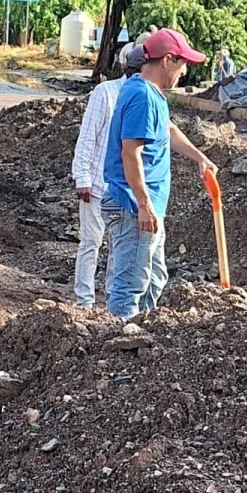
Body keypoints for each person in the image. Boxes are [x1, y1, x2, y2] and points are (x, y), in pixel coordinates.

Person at [102, 28, 216, 318]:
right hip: (134, 205)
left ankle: (140, 337)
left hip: (146, 204)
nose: (184, 72)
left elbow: (166, 129)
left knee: (154, 279)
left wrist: (199, 157)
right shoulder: (143, 97)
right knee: (130, 286)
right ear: (167, 60)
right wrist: (144, 205)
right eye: (182, 63)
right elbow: (130, 152)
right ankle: (118, 347)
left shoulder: (147, 90)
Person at [71, 45, 144, 308]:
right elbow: (88, 136)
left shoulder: (143, 97)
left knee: (118, 248)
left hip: (122, 189)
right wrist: (82, 177)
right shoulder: (106, 92)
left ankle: (113, 301)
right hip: (97, 185)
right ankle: (85, 303)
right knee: (91, 243)